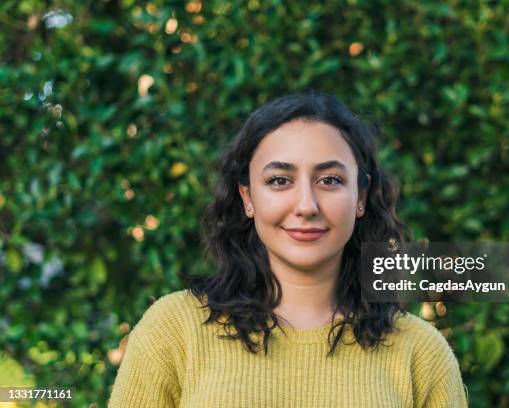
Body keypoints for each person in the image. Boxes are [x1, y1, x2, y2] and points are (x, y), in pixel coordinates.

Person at [108, 91, 468, 407]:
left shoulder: (420, 353)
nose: (306, 205)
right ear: (247, 197)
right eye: (280, 181)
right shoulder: (174, 330)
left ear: (360, 197)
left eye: (330, 180)